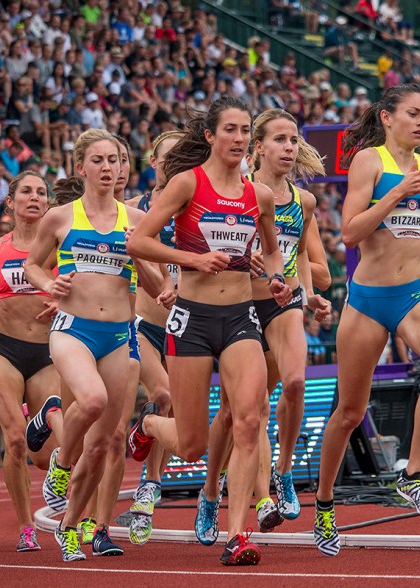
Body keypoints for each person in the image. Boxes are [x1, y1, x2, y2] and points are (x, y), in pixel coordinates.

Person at [126, 96, 293, 566]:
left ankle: (237, 533)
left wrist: (277, 281)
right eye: (231, 130)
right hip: (192, 320)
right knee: (194, 442)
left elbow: (273, 252)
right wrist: (192, 259)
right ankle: (150, 425)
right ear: (210, 137)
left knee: (248, 421)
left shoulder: (257, 195)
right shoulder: (186, 184)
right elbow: (137, 241)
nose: (239, 139)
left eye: (245, 131)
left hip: (241, 318)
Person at [312, 83, 420, 557]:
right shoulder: (369, 161)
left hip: (416, 288)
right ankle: (325, 504)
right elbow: (350, 233)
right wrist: (397, 194)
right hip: (369, 297)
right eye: (413, 113)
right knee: (350, 412)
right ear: (388, 117)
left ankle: (413, 474)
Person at [195, 108, 332, 545]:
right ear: (260, 147)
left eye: (294, 140)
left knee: (295, 383)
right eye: (280, 140)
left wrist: (309, 293)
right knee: (236, 413)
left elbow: (303, 260)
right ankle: (209, 491)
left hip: (284, 301)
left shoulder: (304, 202)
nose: (289, 148)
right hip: (240, 305)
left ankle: (285, 472)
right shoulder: (241, 193)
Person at [24, 129, 148, 562]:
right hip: (72, 328)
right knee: (91, 400)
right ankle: (60, 462)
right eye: (98, 160)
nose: (108, 167)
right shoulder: (60, 217)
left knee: (101, 446)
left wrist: (161, 279)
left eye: (113, 159)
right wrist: (47, 283)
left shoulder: (134, 220)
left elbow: (153, 276)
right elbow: (31, 264)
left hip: (118, 335)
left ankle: (69, 525)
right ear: (81, 168)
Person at [0, 171, 65, 552]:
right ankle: (26, 525)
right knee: (14, 441)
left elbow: (83, 287)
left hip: (45, 354)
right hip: (4, 350)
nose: (35, 197)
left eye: (42, 192)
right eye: (26, 191)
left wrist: (63, 301)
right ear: (10, 202)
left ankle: (36, 419)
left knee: (43, 458)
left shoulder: (59, 246)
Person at [125, 130, 185, 546]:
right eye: (170, 156)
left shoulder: (199, 207)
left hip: (187, 327)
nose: (177, 161)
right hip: (143, 322)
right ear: (154, 162)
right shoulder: (131, 210)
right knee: (161, 395)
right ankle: (148, 483)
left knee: (182, 418)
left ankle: (149, 487)